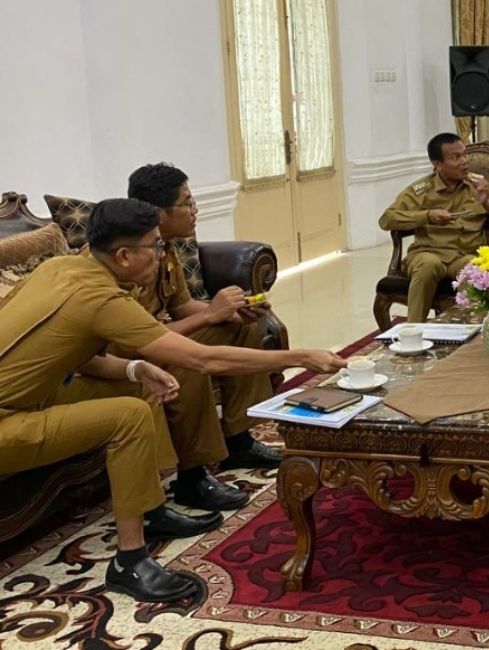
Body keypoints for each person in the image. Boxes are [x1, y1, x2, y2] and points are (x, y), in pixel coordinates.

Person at [0, 198, 344, 602]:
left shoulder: (58, 269)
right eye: (155, 245)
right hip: (9, 419)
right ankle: (130, 561)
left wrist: (134, 369)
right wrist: (300, 356)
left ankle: (151, 510)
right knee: (127, 416)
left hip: (32, 395)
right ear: (124, 255)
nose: (162, 254)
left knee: (140, 386)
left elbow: (74, 354)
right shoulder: (101, 299)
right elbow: (203, 359)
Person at [111, 163, 279, 512]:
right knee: (185, 362)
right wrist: (209, 314)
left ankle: (238, 440)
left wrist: (230, 312)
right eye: (187, 203)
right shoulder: (126, 255)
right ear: (158, 212)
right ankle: (192, 477)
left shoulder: (165, 246)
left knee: (242, 327)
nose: (195, 210)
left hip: (154, 338)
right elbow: (137, 340)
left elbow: (181, 305)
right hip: (122, 355)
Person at [378, 132, 489, 322]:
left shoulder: (477, 185)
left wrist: (487, 204)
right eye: (455, 157)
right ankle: (413, 329)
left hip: (465, 254)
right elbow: (387, 219)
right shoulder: (422, 190)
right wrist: (427, 216)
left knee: (474, 269)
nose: (464, 161)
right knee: (428, 266)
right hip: (428, 252)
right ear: (437, 164)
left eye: (465, 155)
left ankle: (470, 330)